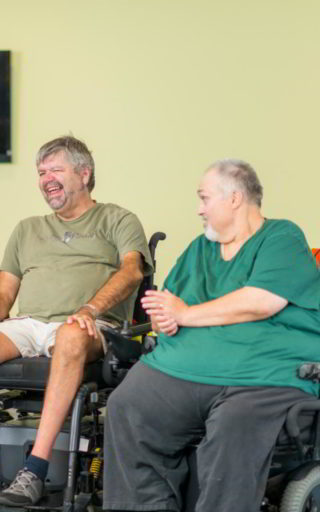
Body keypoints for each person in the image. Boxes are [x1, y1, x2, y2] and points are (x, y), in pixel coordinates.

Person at [0, 135, 153, 508]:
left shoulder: (117, 218)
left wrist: (90, 310)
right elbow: (3, 288)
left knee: (69, 335)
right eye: (40, 172)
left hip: (87, 327)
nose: (46, 178)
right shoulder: (27, 228)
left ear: (84, 174)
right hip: (29, 325)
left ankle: (34, 470)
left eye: (55, 169)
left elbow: (132, 272)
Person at [103, 160, 320, 512]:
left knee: (235, 424)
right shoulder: (198, 249)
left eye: (205, 198)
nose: (199, 208)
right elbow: (167, 306)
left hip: (260, 378)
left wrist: (186, 314)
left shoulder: (282, 237)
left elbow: (261, 301)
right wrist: (165, 319)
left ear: (235, 198)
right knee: (127, 406)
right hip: (183, 371)